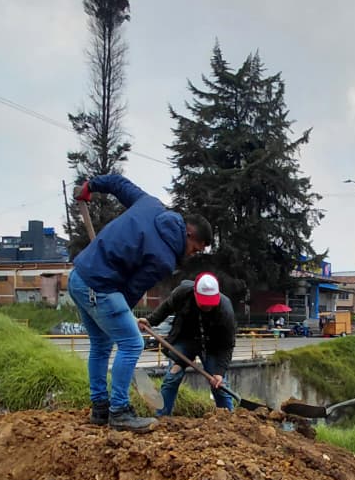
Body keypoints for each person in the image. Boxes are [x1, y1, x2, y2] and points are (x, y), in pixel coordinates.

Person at [70, 174, 212, 431]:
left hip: (78, 277)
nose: (193, 254)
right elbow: (130, 291)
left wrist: (91, 186)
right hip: (99, 286)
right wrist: (123, 313)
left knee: (101, 345)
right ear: (189, 233)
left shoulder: (150, 204)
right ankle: (119, 411)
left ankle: (100, 408)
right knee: (131, 343)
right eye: (196, 248)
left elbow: (117, 184)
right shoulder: (165, 259)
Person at [139, 271, 236, 416]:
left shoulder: (225, 309)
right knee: (173, 376)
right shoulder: (183, 293)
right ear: (195, 293)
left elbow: (227, 345)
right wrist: (151, 320)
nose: (207, 308)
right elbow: (167, 306)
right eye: (204, 303)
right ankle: (162, 417)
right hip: (185, 339)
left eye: (210, 304)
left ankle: (230, 419)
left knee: (218, 384)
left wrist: (220, 372)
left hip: (212, 346)